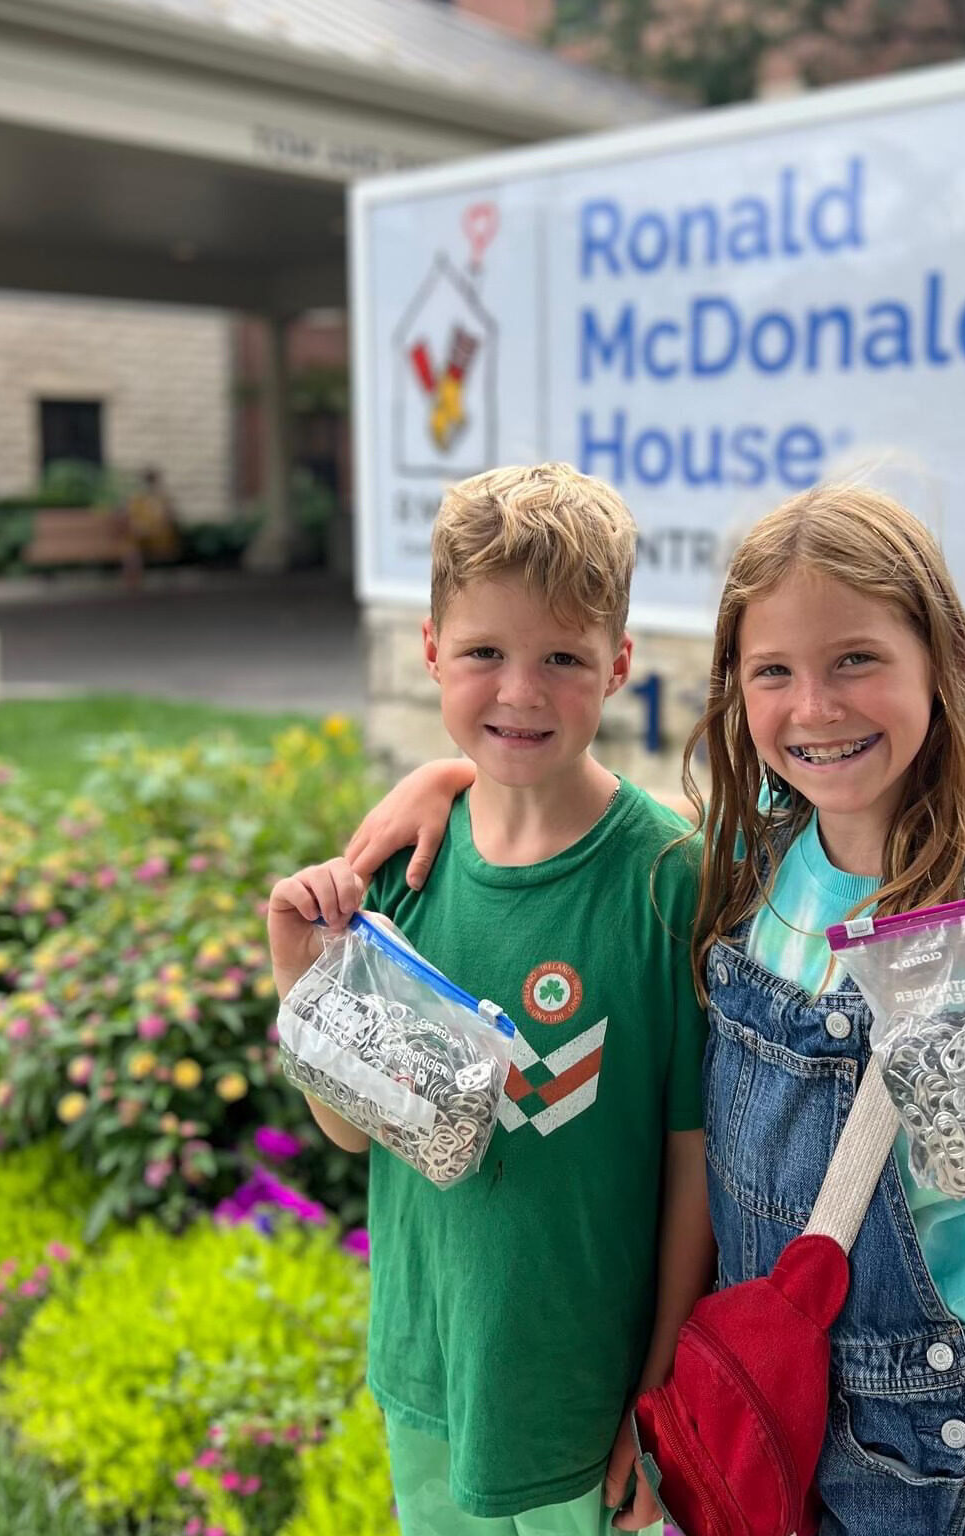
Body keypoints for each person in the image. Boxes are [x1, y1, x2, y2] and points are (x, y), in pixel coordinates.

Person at [346, 484, 965, 1536]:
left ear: (940, 667)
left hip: (910, 1454)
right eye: (775, 672)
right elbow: (556, 792)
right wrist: (447, 777)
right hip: (748, 1410)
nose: (814, 707)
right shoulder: (749, 866)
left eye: (856, 659)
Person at [265, 463, 713, 1536]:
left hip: (585, 1402)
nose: (520, 691)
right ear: (430, 652)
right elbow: (353, 1129)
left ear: (619, 666)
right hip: (430, 1375)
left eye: (562, 656)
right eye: (483, 654)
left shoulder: (667, 880)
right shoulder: (401, 873)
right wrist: (305, 978)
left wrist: (653, 1401)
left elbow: (697, 1168)